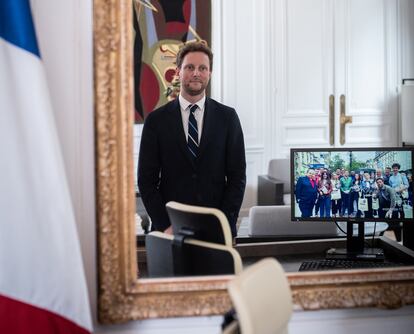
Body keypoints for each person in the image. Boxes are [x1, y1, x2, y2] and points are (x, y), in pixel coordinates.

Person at [137, 42, 246, 237]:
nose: (196, 73)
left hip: (216, 230)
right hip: (171, 230)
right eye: (189, 67)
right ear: (178, 71)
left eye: (202, 68)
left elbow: (237, 178)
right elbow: (146, 181)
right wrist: (165, 226)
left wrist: (224, 224)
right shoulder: (156, 121)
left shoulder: (228, 118)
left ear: (210, 73)